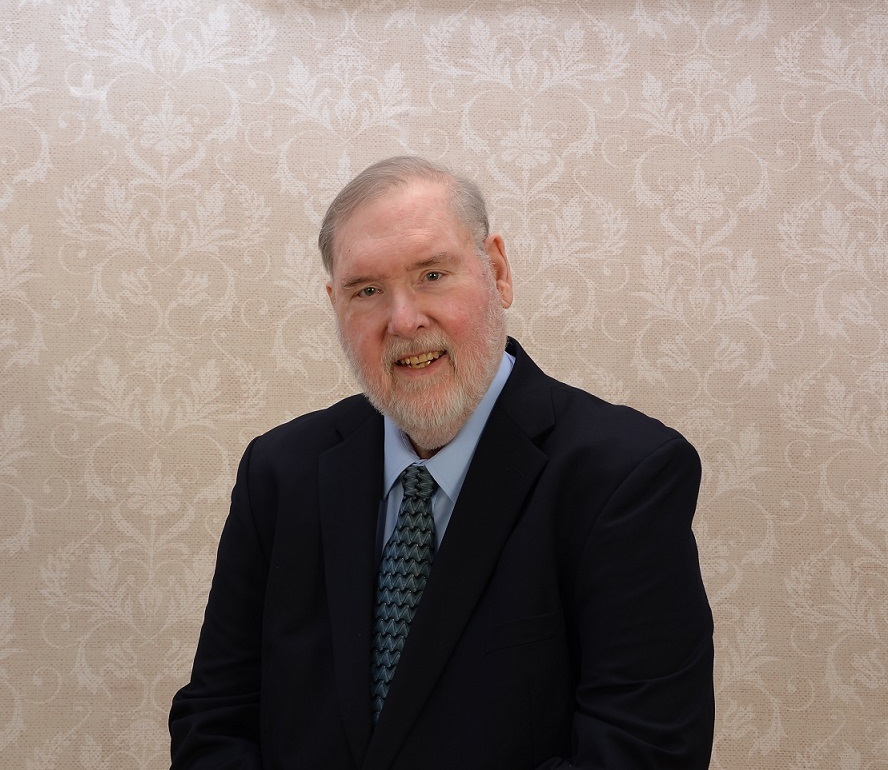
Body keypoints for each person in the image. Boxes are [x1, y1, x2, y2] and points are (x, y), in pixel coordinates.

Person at [169, 156, 714, 769]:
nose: (404, 321)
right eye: (367, 290)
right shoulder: (279, 472)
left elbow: (642, 751)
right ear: (336, 306)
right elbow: (214, 721)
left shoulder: (625, 477)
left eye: (432, 274)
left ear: (498, 272)